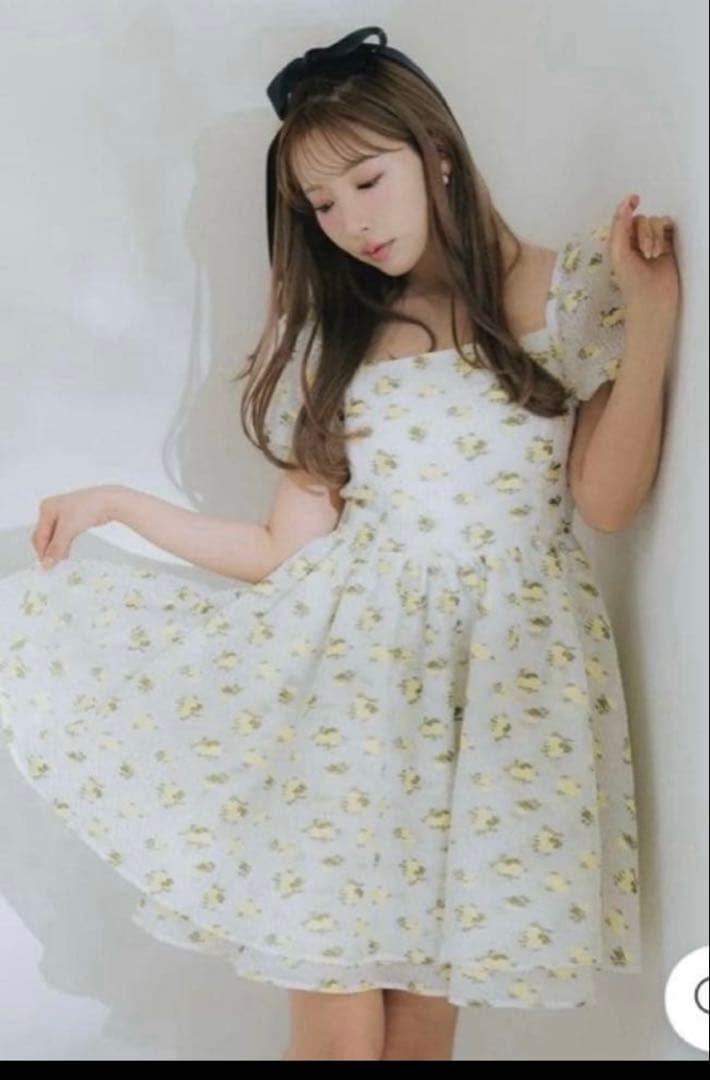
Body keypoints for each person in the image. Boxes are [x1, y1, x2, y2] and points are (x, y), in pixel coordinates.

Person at [0, 27, 680, 1062]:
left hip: (498, 696)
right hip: (351, 698)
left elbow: (608, 502)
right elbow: (282, 547)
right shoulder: (344, 340)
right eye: (321, 205)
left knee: (419, 1030)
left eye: (366, 181)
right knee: (337, 1028)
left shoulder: (561, 293)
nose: (350, 222)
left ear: (435, 152)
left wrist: (653, 317)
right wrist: (122, 505)